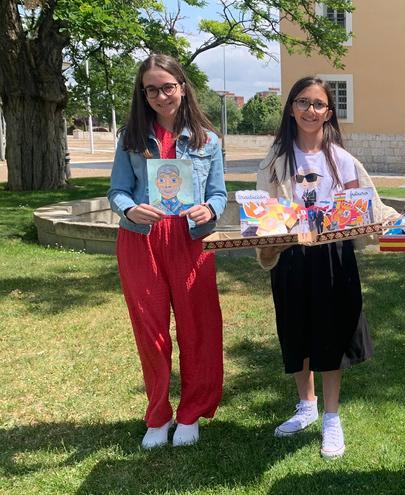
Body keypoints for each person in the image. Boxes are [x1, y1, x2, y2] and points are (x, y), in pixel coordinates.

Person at [108, 54, 227, 449]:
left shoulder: (207, 140)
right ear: (143, 94)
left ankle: (191, 413)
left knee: (198, 327)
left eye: (167, 87)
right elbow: (118, 190)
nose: (161, 95)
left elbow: (219, 193)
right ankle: (158, 415)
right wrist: (129, 207)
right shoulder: (131, 137)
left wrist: (210, 208)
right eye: (152, 89)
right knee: (151, 330)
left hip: (190, 240)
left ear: (182, 87)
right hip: (142, 239)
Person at [255, 76, 373, 459]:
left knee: (331, 334)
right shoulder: (276, 159)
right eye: (303, 102)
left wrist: (394, 219)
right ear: (291, 108)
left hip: (333, 258)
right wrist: (268, 234)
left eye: (319, 104)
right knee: (296, 331)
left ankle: (332, 418)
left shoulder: (342, 159)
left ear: (329, 112)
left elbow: (364, 205)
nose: (310, 110)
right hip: (291, 257)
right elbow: (262, 211)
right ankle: (306, 406)